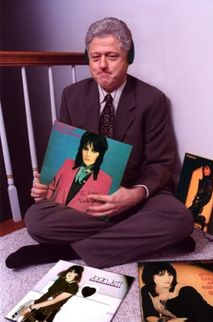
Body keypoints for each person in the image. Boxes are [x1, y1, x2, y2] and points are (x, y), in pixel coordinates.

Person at [6, 17, 195, 270]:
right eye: (95, 57)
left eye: (111, 56)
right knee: (36, 219)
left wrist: (133, 195)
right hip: (90, 196)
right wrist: (48, 185)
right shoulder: (71, 96)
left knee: (180, 218)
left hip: (135, 193)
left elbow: (161, 163)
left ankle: (68, 250)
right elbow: (68, 155)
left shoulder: (152, 100)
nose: (102, 65)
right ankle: (144, 237)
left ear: (129, 57)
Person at [140, 262, 213, 322]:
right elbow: (149, 315)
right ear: (150, 275)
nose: (168, 278)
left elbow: (204, 314)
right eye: (161, 275)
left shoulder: (185, 290)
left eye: (170, 274)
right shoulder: (146, 290)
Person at [46, 131, 112, 212]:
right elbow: (51, 188)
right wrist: (47, 209)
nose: (88, 154)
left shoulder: (106, 180)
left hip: (76, 223)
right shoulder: (67, 163)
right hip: (51, 214)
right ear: (81, 149)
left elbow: (95, 211)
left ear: (100, 154)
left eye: (94, 151)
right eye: (86, 149)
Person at [18, 265, 84, 322]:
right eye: (70, 271)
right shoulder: (61, 280)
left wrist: (31, 307)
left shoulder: (73, 287)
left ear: (77, 276)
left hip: (46, 311)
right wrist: (33, 304)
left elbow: (54, 300)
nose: (70, 273)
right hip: (37, 306)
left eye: (74, 272)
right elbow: (48, 294)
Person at [188, 162, 213, 230]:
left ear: (211, 170)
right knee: (189, 217)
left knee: (187, 215)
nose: (205, 170)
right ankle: (200, 219)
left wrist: (198, 202)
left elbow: (208, 196)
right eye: (204, 169)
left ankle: (200, 219)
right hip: (196, 203)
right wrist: (195, 200)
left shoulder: (210, 181)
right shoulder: (205, 179)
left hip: (198, 204)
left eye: (207, 168)